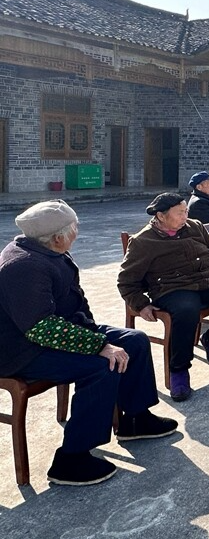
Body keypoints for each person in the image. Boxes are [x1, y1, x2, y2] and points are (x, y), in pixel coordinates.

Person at [0, 201, 177, 486]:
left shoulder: (48, 250)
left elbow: (73, 304)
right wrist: (99, 346)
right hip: (22, 350)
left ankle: (135, 419)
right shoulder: (23, 267)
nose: (77, 232)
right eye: (74, 228)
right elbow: (41, 328)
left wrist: (95, 335)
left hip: (59, 332)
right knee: (101, 366)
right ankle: (71, 459)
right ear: (57, 238)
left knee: (134, 340)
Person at [118, 193, 209, 402]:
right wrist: (141, 305)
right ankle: (178, 370)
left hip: (206, 280)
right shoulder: (143, 241)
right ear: (161, 216)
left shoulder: (194, 226)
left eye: (186, 211)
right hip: (171, 288)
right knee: (187, 311)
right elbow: (126, 280)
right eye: (180, 213)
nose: (185, 216)